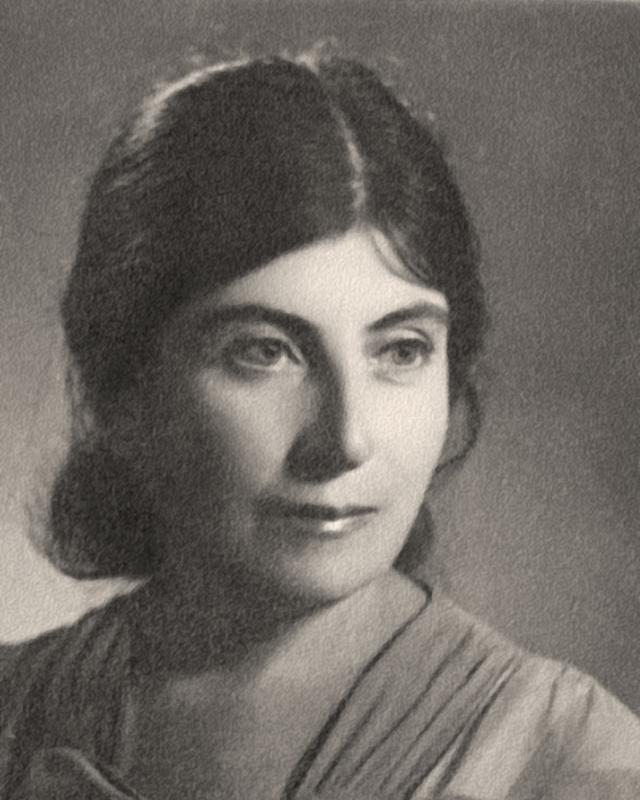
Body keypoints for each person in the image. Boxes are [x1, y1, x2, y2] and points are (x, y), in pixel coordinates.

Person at [1, 52, 639, 800]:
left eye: (401, 350)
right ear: (125, 386)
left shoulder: (576, 762)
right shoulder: (17, 713)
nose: (346, 440)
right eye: (265, 352)